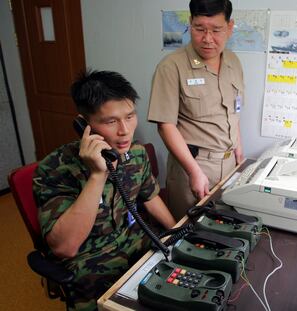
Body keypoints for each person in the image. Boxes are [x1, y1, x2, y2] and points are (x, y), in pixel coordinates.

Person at [33, 70, 176, 311]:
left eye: (130, 117)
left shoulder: (136, 154)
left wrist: (176, 237)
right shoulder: (55, 169)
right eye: (111, 121)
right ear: (83, 124)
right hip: (90, 266)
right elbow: (65, 247)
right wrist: (98, 175)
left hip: (138, 245)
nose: (125, 130)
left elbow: (151, 197)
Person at [148, 0, 245, 221]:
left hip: (229, 165)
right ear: (190, 23)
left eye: (216, 30)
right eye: (199, 29)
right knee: (190, 237)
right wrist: (194, 171)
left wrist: (239, 149)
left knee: (225, 231)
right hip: (193, 168)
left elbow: (234, 112)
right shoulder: (171, 67)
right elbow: (165, 125)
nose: (207, 39)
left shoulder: (233, 61)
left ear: (230, 27)